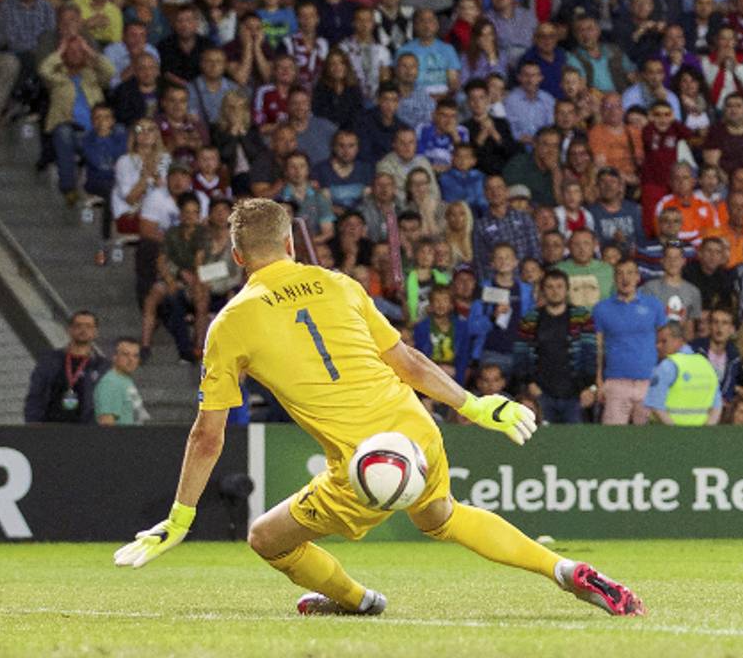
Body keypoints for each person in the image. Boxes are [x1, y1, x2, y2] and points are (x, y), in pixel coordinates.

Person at [113, 198, 643, 617]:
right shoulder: (339, 283)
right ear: (289, 243)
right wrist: (476, 406)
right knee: (443, 516)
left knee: (266, 539)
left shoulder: (229, 324)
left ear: (237, 257)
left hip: (362, 465)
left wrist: (180, 517)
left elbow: (208, 435)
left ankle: (355, 599)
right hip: (416, 429)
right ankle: (565, 570)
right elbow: (408, 361)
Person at [514, 270, 598, 424]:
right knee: (542, 443)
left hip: (575, 393)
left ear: (567, 289)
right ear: (543, 290)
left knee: (574, 441)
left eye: (559, 286)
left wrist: (589, 387)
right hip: (540, 392)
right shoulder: (530, 319)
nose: (555, 291)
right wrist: (529, 382)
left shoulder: (582, 317)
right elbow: (520, 354)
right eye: (550, 287)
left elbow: (590, 355)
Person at [593, 260, 668, 425]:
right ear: (614, 278)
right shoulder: (601, 308)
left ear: (638, 277)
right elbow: (598, 348)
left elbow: (664, 342)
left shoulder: (654, 305)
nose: (625, 278)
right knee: (614, 441)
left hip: (649, 382)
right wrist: (598, 380)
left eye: (630, 273)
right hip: (615, 382)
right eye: (620, 273)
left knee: (647, 442)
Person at [24, 311, 111, 423]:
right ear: (69, 330)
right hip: (51, 429)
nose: (83, 330)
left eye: (88, 326)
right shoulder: (49, 361)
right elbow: (35, 395)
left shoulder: (103, 366)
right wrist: (33, 423)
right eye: (78, 325)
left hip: (87, 431)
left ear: (95, 332)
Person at [643, 321, 722, 426]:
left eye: (663, 341)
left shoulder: (667, 366)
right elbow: (717, 406)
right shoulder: (706, 364)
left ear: (679, 341)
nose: (658, 346)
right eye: (657, 342)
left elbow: (656, 406)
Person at [94, 338, 148, 426]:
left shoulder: (124, 380)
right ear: (114, 357)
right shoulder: (111, 383)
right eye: (126, 355)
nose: (131, 359)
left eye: (135, 356)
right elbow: (106, 422)